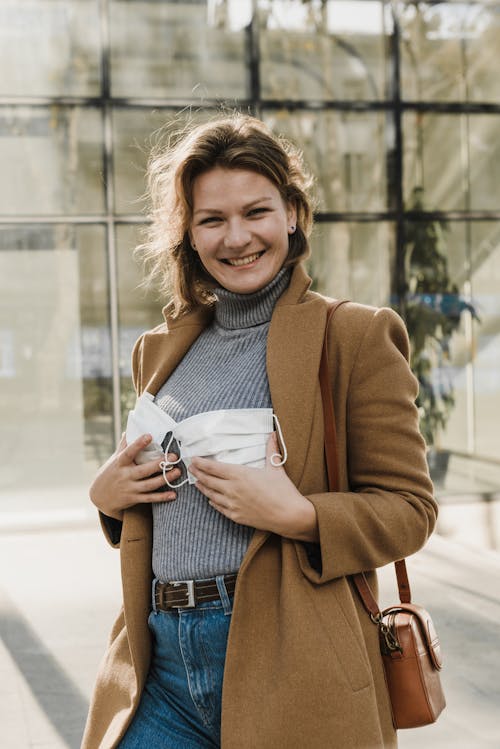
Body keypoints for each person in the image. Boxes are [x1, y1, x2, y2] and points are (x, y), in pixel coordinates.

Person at [82, 114, 437, 749]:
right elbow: (157, 495)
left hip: (295, 659)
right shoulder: (160, 349)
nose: (236, 237)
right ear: (187, 233)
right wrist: (109, 500)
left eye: (257, 212)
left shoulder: (353, 335)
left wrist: (300, 515)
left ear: (294, 213)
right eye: (211, 219)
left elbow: (410, 510)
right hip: (158, 661)